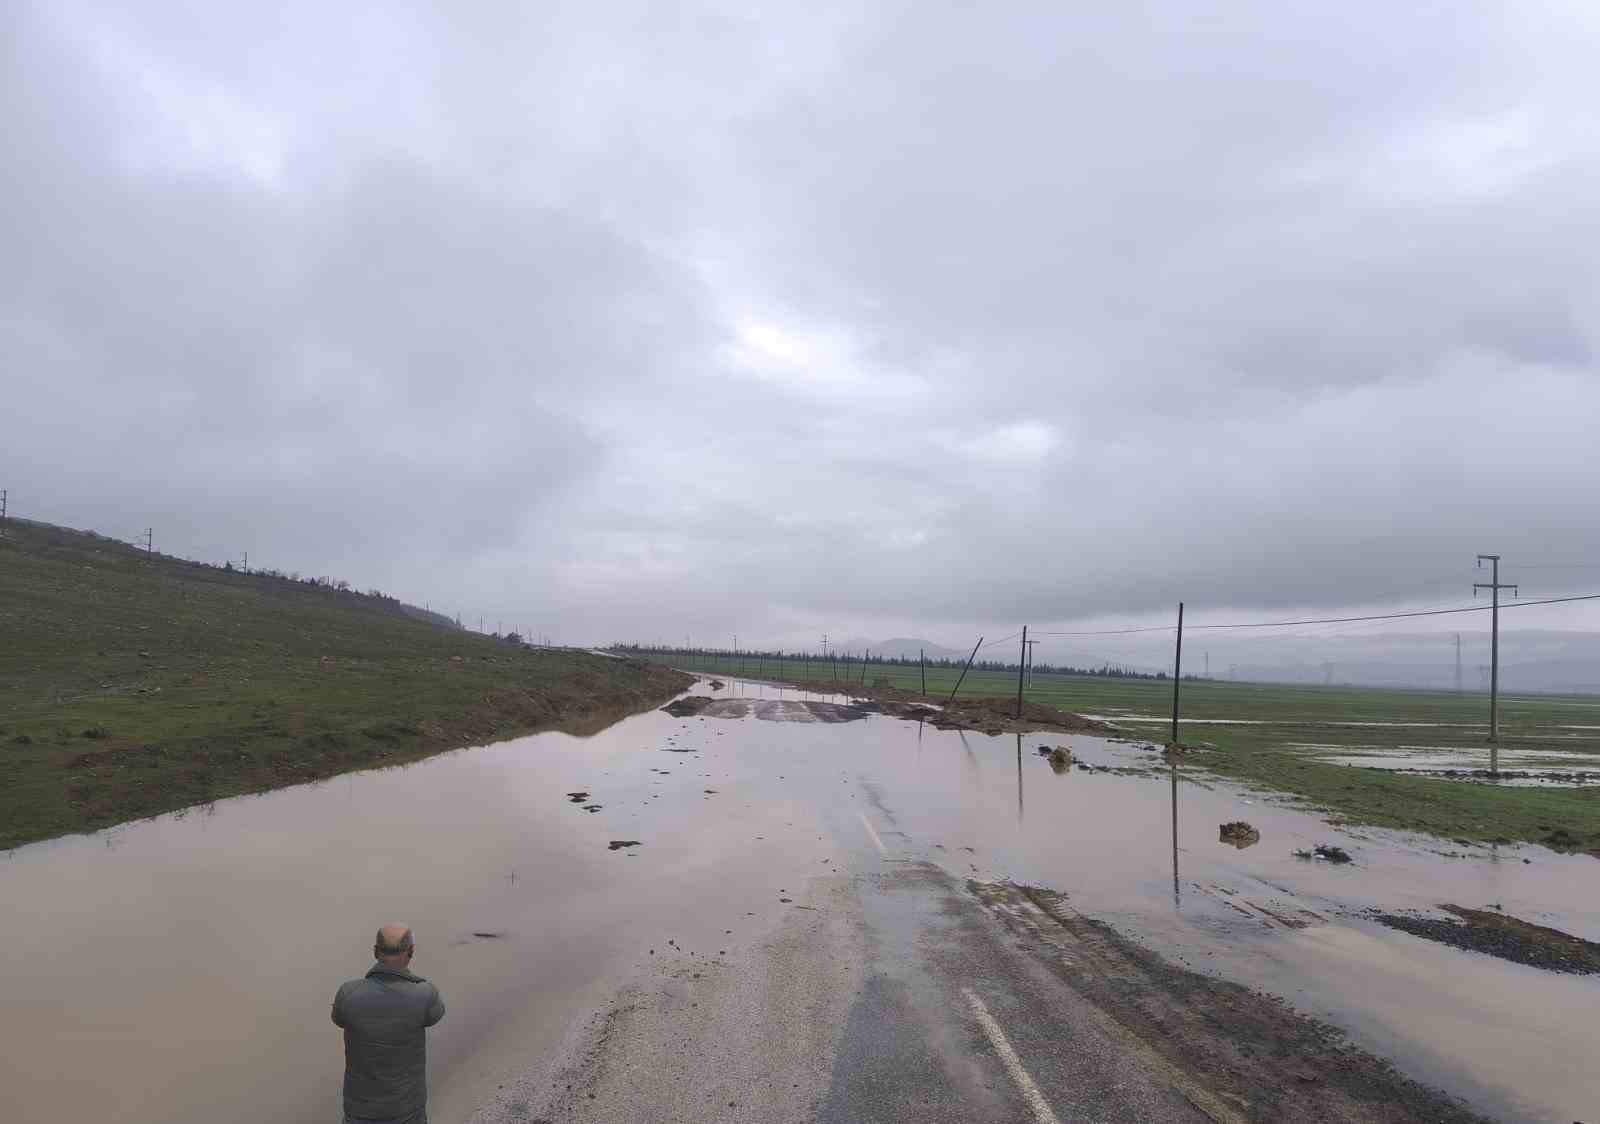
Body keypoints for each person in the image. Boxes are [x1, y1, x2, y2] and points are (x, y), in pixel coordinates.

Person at [331, 923, 447, 1124]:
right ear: (411, 951)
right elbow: (434, 1017)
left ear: (375, 951)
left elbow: (339, 1019)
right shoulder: (425, 993)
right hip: (407, 1108)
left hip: (359, 1110)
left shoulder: (347, 993)